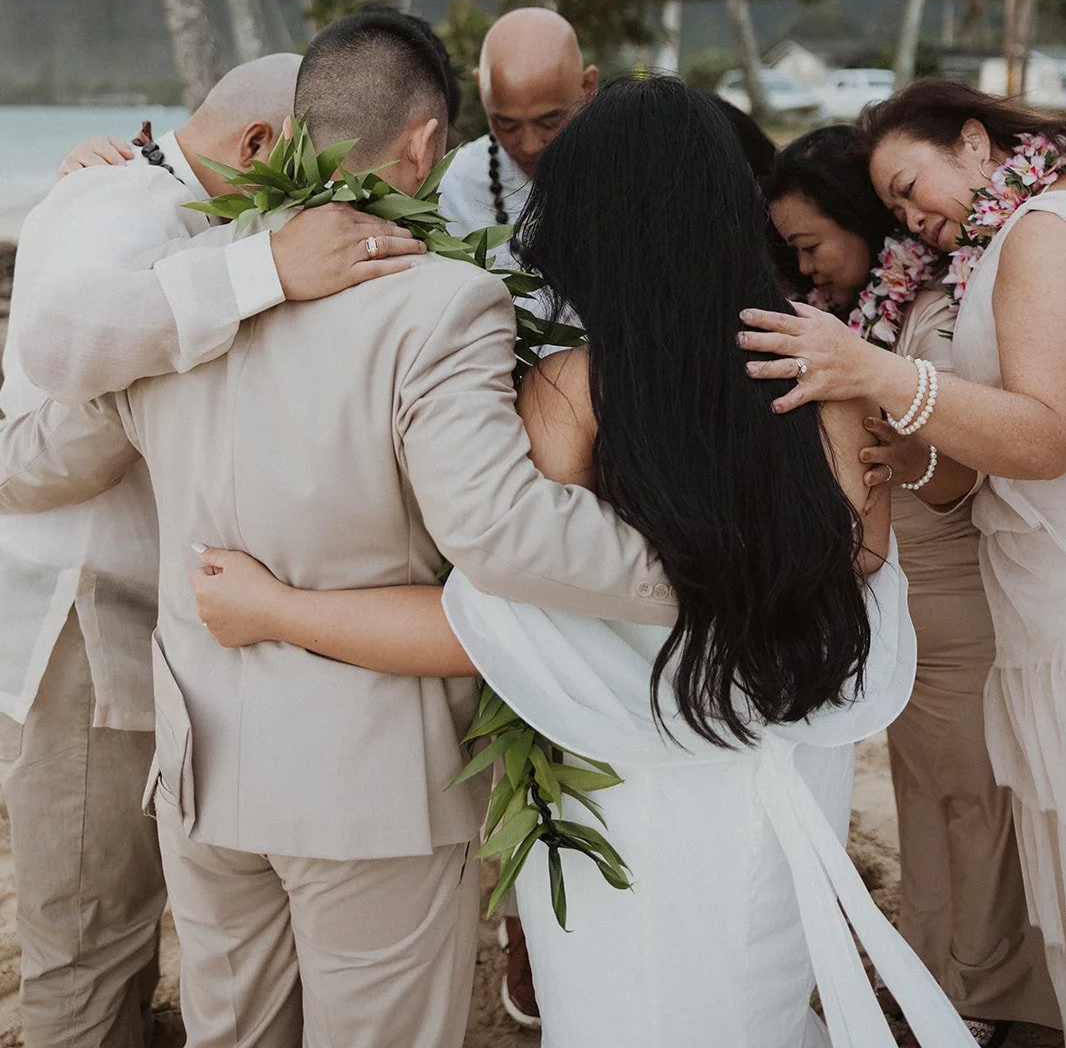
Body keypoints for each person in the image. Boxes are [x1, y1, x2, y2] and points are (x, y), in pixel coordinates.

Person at [185, 78, 978, 1048]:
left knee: (626, 1011)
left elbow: (488, 622)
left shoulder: (575, 391)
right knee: (754, 1000)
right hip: (784, 768)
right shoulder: (829, 373)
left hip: (623, 793)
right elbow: (861, 560)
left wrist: (274, 609)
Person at [0, 14, 680, 1048]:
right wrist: (687, 571)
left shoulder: (177, 291)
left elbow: (44, 452)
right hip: (369, 786)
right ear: (424, 143)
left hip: (203, 769)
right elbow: (499, 532)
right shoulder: (445, 303)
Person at [0, 52, 420, 1048]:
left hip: (169, 625)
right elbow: (52, 382)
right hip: (83, 623)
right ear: (259, 143)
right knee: (89, 937)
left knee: (143, 921)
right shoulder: (126, 211)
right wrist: (267, 273)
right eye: (309, 166)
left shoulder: (159, 204)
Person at [739, 79, 1066, 1032]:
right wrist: (908, 449)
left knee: (989, 805)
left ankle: (980, 992)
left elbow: (1039, 437)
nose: (912, 217)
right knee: (966, 804)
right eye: (893, 205)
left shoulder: (1029, 237)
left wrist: (876, 377)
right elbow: (969, 470)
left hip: (1012, 585)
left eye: (908, 187)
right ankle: (950, 978)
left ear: (973, 142)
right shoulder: (993, 247)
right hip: (1006, 579)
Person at [439, 7, 597, 258]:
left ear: (588, 88)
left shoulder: (624, 174)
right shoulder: (450, 187)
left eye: (549, 122)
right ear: (483, 93)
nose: (530, 145)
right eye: (507, 125)